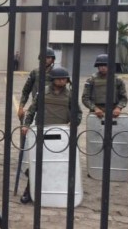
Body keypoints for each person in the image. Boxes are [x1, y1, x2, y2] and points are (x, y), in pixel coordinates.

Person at [20, 67, 82, 203]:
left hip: (61, 133)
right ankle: (29, 192)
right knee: (38, 162)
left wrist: (74, 122)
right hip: (42, 131)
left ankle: (57, 191)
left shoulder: (70, 95)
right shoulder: (42, 93)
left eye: (64, 79)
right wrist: (26, 125)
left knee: (58, 163)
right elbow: (32, 110)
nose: (62, 81)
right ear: (53, 80)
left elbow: (78, 113)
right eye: (59, 79)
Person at [81, 54, 128, 118]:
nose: (103, 67)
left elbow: (124, 98)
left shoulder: (118, 80)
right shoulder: (91, 80)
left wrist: (118, 108)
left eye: (106, 65)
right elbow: (85, 98)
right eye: (101, 65)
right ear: (98, 66)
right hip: (96, 113)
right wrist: (95, 108)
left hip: (113, 112)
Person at [17, 47, 56, 122]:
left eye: (48, 57)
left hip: (52, 109)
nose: (45, 59)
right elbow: (26, 91)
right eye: (43, 57)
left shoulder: (57, 74)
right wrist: (21, 107)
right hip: (36, 107)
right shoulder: (34, 73)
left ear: (53, 60)